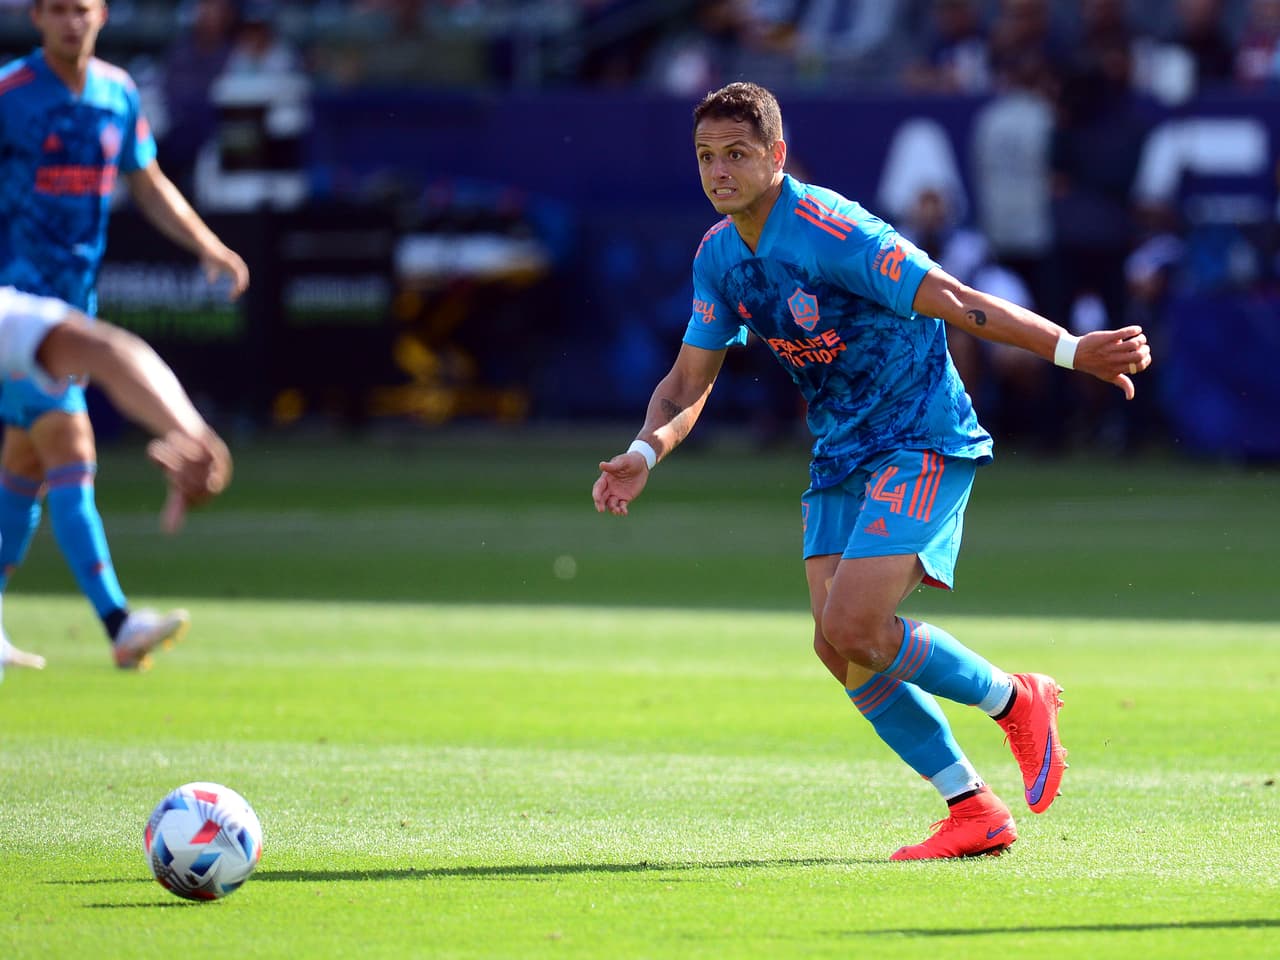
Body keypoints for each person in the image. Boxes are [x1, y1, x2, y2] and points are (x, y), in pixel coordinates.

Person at [592, 82, 1151, 860]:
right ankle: (972, 807)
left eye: (737, 155)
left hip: (920, 436)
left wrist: (1070, 350)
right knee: (838, 646)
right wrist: (645, 451)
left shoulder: (834, 228)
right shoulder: (720, 258)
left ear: (777, 156)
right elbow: (688, 382)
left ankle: (1017, 699)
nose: (718, 172)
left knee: (854, 624)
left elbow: (953, 298)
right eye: (706, 158)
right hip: (841, 452)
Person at [0, 0, 248, 670]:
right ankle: (117, 623)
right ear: (36, 19)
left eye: (79, 9)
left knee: (25, 460)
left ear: (102, 15)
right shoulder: (10, 95)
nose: (69, 23)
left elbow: (147, 180)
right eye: (55, 11)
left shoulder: (118, 93)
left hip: (70, 308)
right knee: (67, 439)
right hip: (14, 313)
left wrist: (207, 245)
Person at [0, 285, 231, 680]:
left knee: (30, 464)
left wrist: (194, 438)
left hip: (46, 355)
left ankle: (117, 621)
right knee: (50, 457)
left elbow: (110, 353)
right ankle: (117, 622)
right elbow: (108, 353)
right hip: (44, 357)